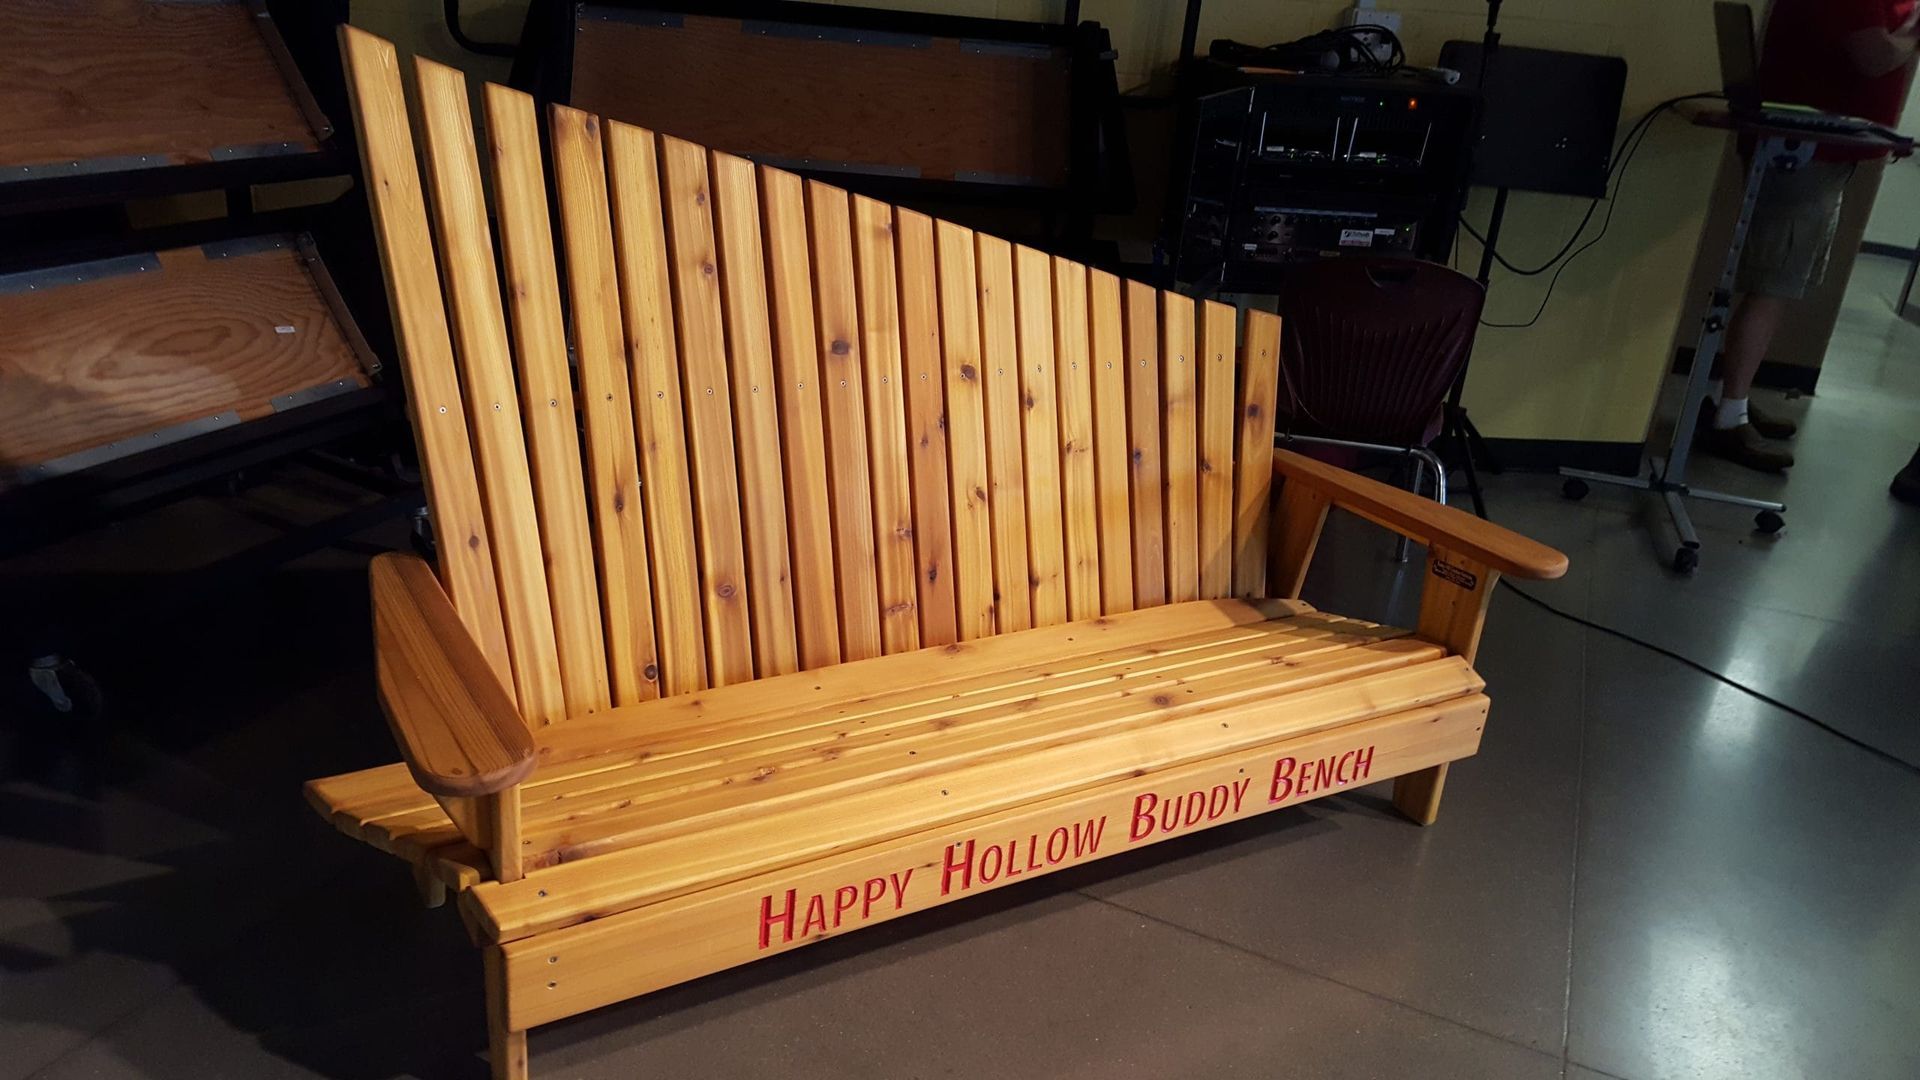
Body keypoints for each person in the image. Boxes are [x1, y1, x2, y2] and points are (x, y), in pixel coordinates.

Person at [1706, 0, 1918, 472]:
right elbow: (1875, 56)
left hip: (1818, 148)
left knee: (1778, 281)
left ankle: (1728, 395)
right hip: (1804, 152)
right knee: (1773, 284)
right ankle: (1728, 418)